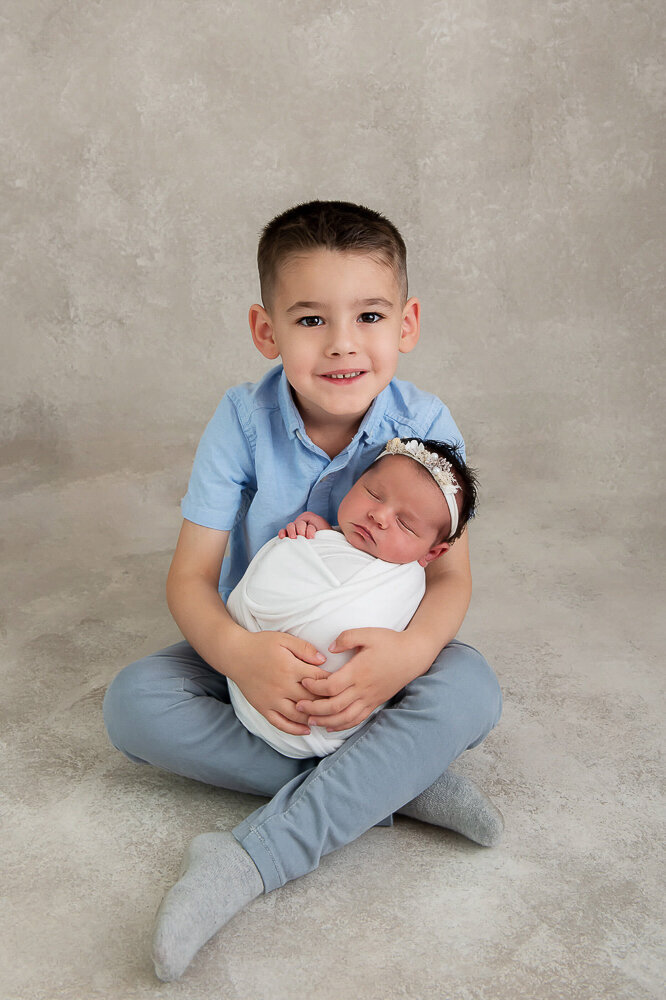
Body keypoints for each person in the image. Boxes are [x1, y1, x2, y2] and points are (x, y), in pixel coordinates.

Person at [102, 200, 504, 982]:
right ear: (267, 331)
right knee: (134, 703)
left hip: (368, 662)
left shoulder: (423, 422)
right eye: (312, 319)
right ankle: (398, 782)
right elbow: (188, 578)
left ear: (407, 323)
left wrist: (407, 656)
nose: (344, 343)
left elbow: (450, 572)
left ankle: (249, 859)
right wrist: (240, 655)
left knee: (472, 688)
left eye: (371, 315)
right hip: (261, 647)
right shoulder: (241, 421)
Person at [227, 437, 478, 759]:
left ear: (433, 552)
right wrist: (321, 536)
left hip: (340, 712)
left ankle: (330, 779)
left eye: (405, 523)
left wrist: (413, 650)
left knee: (469, 691)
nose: (380, 516)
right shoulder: (317, 537)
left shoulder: (405, 580)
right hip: (256, 681)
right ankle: (371, 781)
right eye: (372, 494)